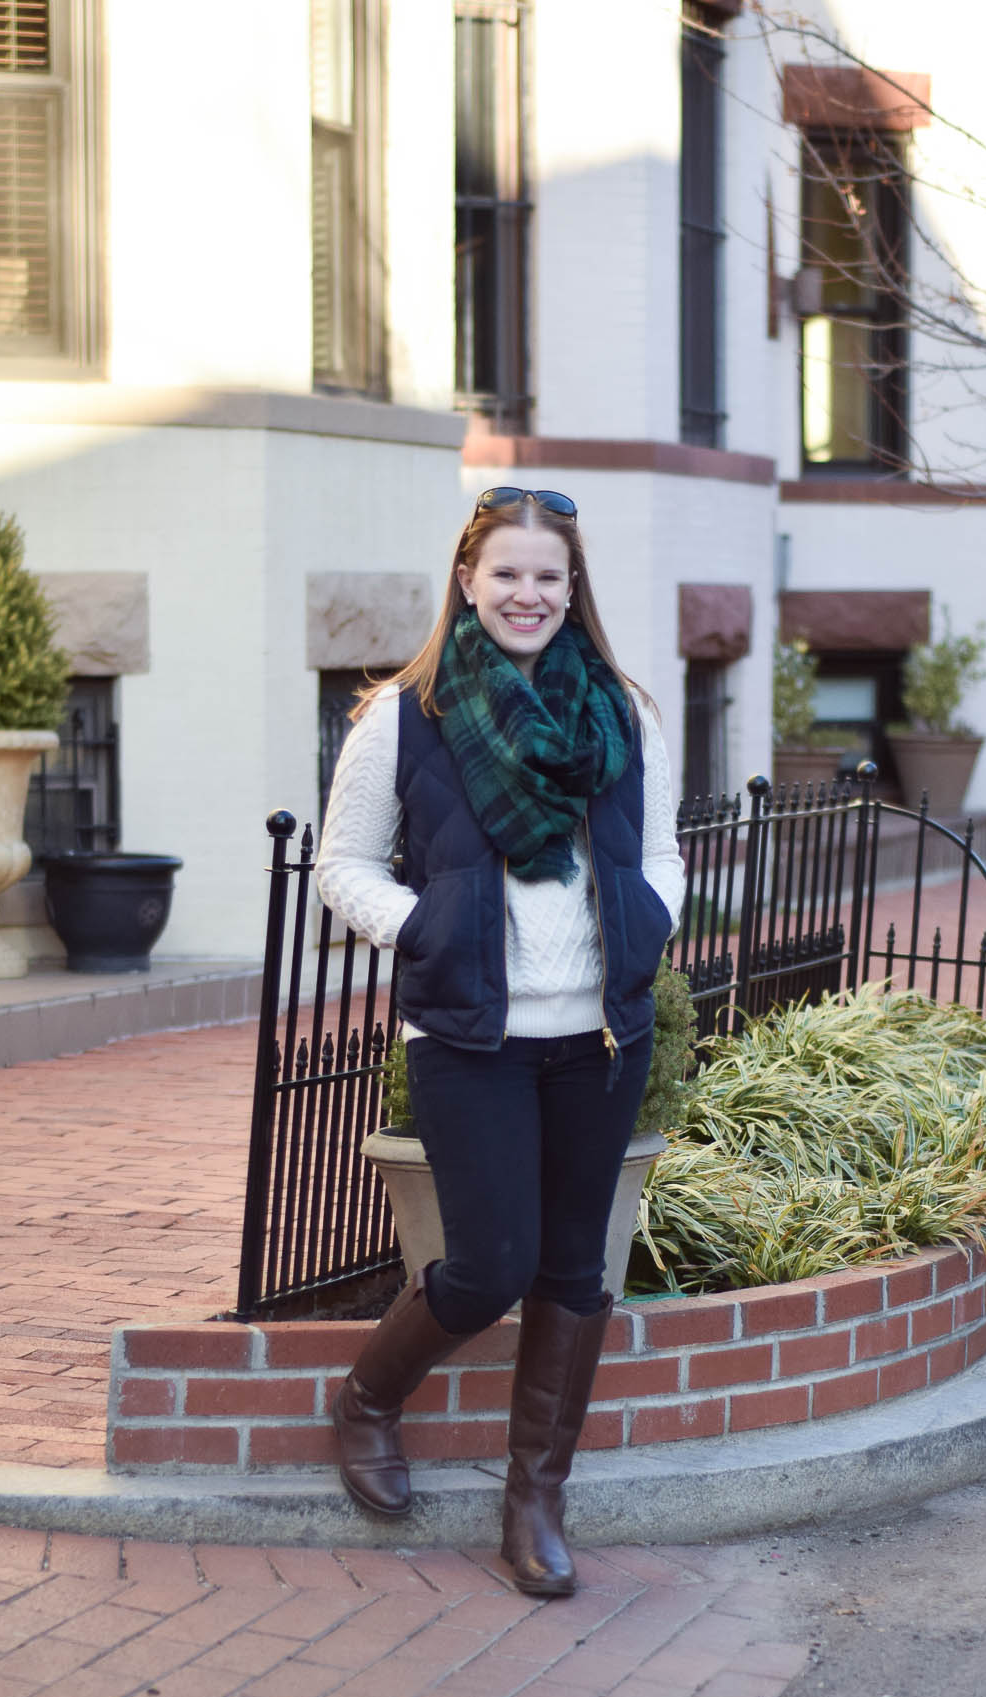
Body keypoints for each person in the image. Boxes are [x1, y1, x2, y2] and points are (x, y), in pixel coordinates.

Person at [314, 487, 686, 1598]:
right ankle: (368, 1398)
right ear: (468, 580)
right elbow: (344, 868)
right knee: (486, 1267)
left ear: (574, 590)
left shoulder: (623, 709)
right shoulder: (406, 714)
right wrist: (422, 925)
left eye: (549, 577)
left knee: (575, 1272)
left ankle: (534, 1498)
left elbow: (661, 855)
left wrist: (650, 923)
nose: (529, 594)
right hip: (468, 1031)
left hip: (600, 1034)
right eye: (508, 573)